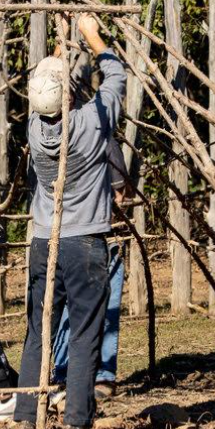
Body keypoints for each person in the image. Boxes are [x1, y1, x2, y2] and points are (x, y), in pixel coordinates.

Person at [12, 15, 125, 429]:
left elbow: (50, 83)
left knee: (39, 330)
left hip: (45, 242)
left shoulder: (36, 129)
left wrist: (63, 44)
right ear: (73, 95)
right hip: (85, 243)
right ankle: (76, 423)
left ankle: (27, 416)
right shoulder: (93, 124)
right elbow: (115, 75)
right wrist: (93, 37)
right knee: (83, 333)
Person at [48, 138, 128, 405]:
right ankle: (63, 374)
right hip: (68, 237)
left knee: (105, 307)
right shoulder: (50, 143)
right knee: (65, 308)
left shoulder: (102, 139)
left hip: (101, 235)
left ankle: (101, 375)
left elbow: (119, 191)